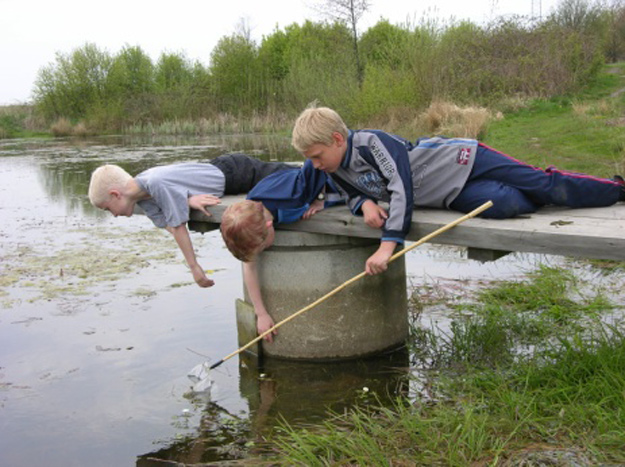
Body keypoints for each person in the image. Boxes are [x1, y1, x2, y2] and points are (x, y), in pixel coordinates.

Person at [291, 105, 625, 277]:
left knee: (548, 186)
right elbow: (353, 194)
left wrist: (387, 247)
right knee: (506, 204)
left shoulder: (370, 143)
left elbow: (400, 189)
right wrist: (363, 205)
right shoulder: (336, 170)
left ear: (337, 140)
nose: (315, 165)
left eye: (317, 157)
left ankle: (616, 189)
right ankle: (537, 195)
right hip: (451, 195)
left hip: (466, 160)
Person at [88, 153, 297, 288]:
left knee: (291, 175)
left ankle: (326, 172)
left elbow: (179, 227)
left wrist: (194, 267)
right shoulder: (143, 196)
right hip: (222, 174)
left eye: (108, 209)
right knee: (286, 179)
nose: (113, 215)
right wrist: (186, 200)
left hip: (235, 174)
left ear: (116, 194)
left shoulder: (154, 183)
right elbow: (169, 224)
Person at [220, 159, 345, 342]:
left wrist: (321, 198)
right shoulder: (252, 216)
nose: (262, 252)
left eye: (262, 248)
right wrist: (261, 313)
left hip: (333, 182)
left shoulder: (295, 194)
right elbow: (249, 266)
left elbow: (318, 160)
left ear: (270, 226)